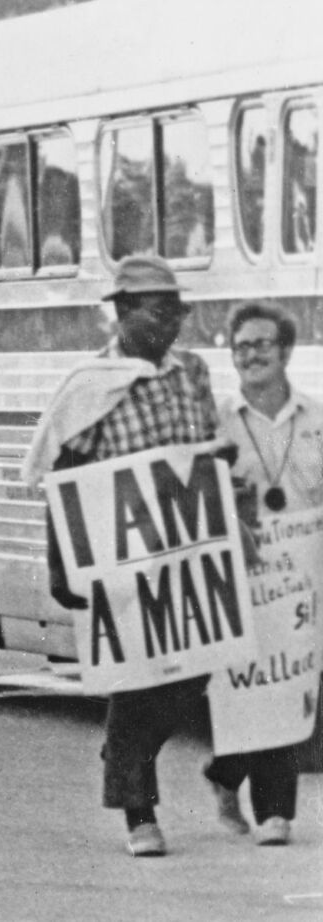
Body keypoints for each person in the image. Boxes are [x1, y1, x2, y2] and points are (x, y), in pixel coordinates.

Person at [24, 254, 219, 858]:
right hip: (121, 557)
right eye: (159, 312)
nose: (171, 324)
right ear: (123, 313)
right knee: (136, 683)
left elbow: (208, 454)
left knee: (197, 673)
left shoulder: (192, 374)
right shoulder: (90, 386)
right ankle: (139, 811)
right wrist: (61, 563)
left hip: (189, 553)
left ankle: (124, 754)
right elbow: (64, 475)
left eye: (177, 312)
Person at [204, 302, 321, 847]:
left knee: (291, 681)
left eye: (262, 344)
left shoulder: (316, 420)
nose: (252, 354)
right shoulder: (218, 425)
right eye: (242, 345)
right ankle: (231, 774)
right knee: (250, 682)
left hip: (303, 573)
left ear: (286, 351)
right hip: (243, 574)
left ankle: (271, 809)